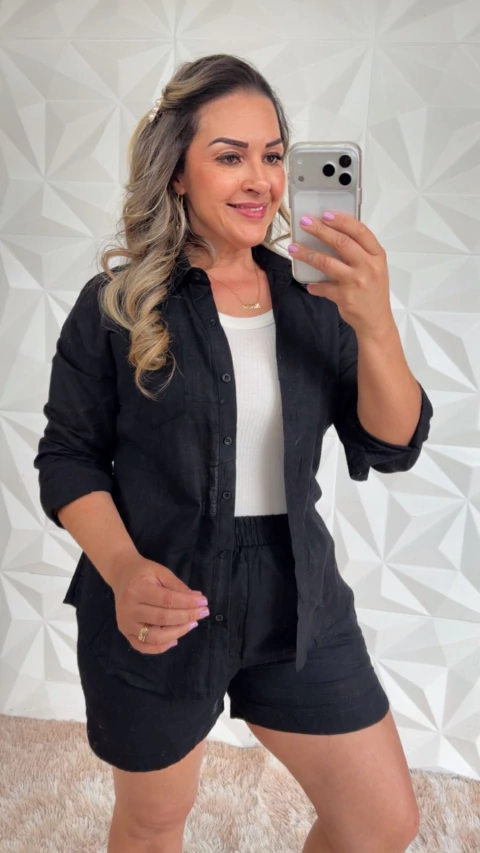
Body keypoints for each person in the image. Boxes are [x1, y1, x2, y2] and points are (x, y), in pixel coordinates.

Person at [34, 54, 433, 853]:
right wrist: (122, 568)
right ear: (178, 172)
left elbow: (392, 444)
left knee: (381, 823)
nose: (261, 180)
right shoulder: (115, 305)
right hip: (159, 592)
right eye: (230, 156)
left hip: (299, 593)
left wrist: (375, 320)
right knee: (154, 822)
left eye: (274, 155)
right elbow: (68, 456)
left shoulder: (317, 302)